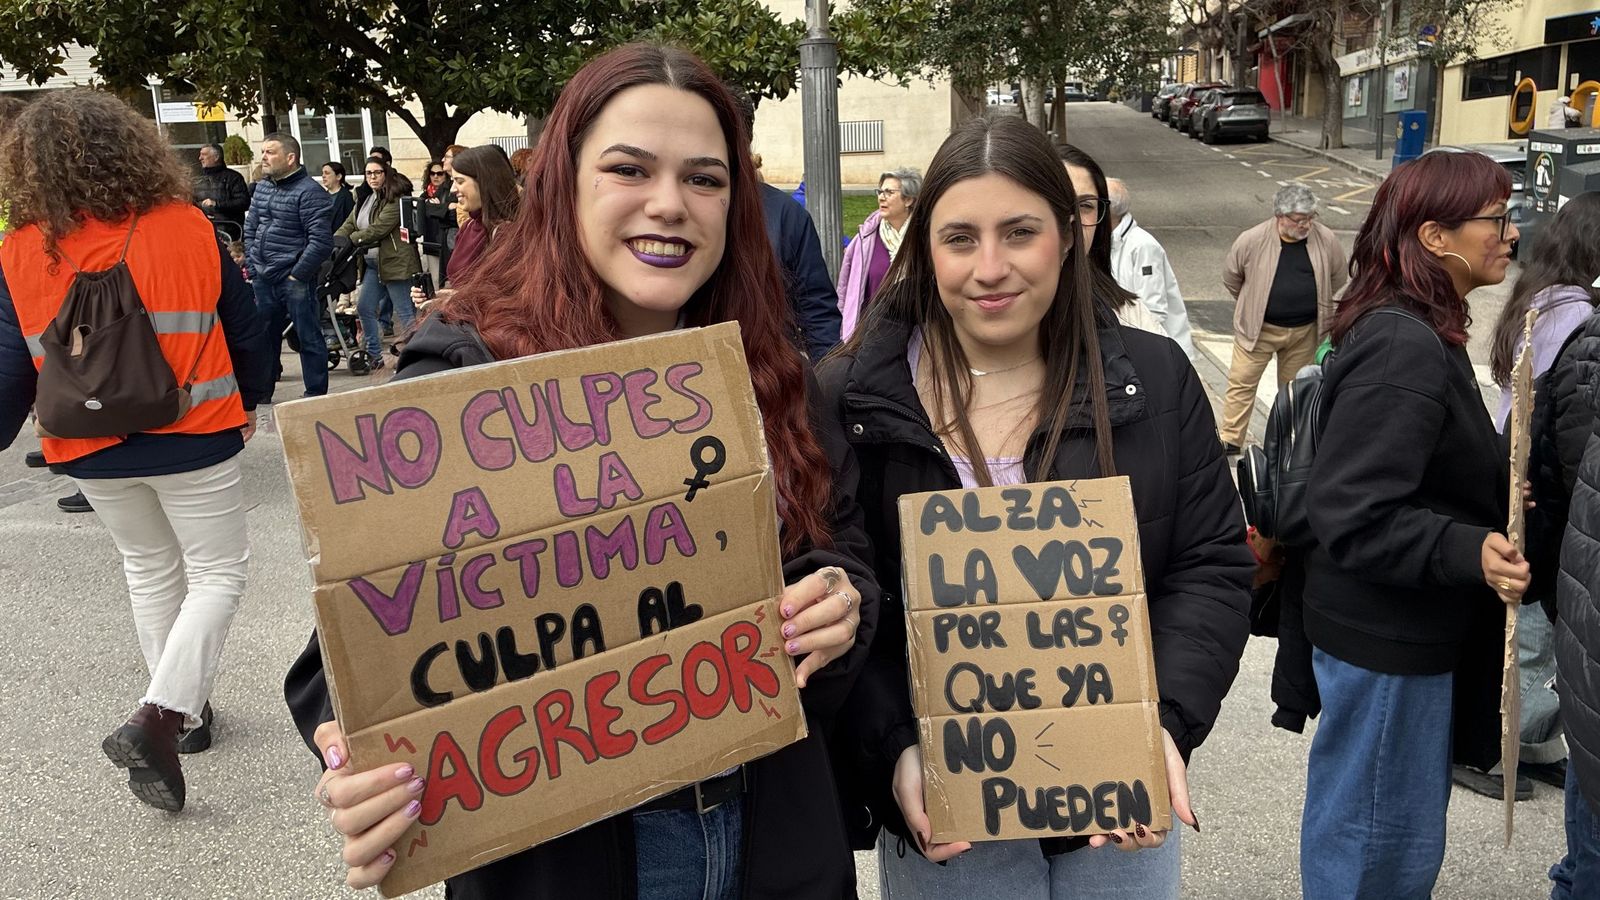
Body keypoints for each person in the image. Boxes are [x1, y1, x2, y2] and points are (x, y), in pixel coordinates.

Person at [284, 43, 878, 898]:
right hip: (568, 863)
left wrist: (840, 600)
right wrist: (351, 758)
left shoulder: (771, 371)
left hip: (771, 832)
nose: (669, 204)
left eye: (705, 179)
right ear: (564, 184)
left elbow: (843, 543)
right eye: (629, 169)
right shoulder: (464, 375)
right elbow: (351, 649)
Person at [821, 114, 1251, 899]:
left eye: (1019, 233)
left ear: (1067, 235)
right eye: (960, 239)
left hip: (1115, 802)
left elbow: (1209, 567)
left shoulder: (1156, 379)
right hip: (948, 814)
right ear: (924, 248)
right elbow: (846, 595)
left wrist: (1162, 722)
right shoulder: (848, 398)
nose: (991, 268)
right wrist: (896, 747)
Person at [0, 89, 271, 811]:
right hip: (195, 430)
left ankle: (188, 720)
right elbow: (244, 323)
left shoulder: (21, 247)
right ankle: (161, 716)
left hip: (87, 442)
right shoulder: (186, 224)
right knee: (217, 573)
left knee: (149, 569)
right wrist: (252, 397)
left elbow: (9, 366)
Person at [1299, 150, 1528, 899]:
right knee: (1375, 848)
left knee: (1375, 830)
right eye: (1496, 219)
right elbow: (1353, 512)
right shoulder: (1405, 344)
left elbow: (1410, 469)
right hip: (1388, 641)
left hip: (1394, 633)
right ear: (1435, 236)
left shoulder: (1417, 328)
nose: (1511, 234)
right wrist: (1469, 547)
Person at [1455, 193, 1600, 802]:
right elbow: (1563, 416)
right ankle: (1497, 746)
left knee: (1531, 623)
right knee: (1532, 626)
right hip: (1532, 476)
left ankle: (1530, 740)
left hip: (1517, 462)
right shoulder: (1575, 311)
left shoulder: (1541, 295)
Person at [1219, 184, 1347, 454]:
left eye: (1310, 217)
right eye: (1299, 219)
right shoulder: (1252, 240)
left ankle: (1290, 442)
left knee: (1295, 390)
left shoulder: (1325, 239)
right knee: (1241, 383)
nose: (1306, 225)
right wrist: (1252, 304)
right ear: (1280, 216)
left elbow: (1337, 277)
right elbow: (1232, 277)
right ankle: (1231, 438)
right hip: (1258, 329)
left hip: (1304, 331)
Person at [730, 88, 841, 361]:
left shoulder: (786, 215)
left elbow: (817, 310)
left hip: (770, 373)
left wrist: (830, 376)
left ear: (745, 138)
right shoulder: (677, 208)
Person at [245, 132, 335, 400]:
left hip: (294, 278)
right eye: (263, 151)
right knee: (265, 337)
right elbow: (251, 229)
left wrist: (297, 275)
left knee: (308, 338)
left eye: (270, 152)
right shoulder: (262, 187)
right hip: (263, 276)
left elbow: (321, 242)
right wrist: (253, 266)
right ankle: (263, 392)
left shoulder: (311, 192)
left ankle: (315, 394)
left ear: (290, 158)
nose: (263, 157)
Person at [1059, 146, 1166, 337]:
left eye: (1085, 205)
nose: (1072, 221)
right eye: (1057, 204)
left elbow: (1155, 307)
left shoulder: (1131, 316)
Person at [408, 144, 519, 314]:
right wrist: (436, 297)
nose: (453, 189)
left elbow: (507, 299)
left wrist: (451, 301)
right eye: (453, 181)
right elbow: (464, 289)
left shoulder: (509, 234)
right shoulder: (469, 226)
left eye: (459, 181)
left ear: (484, 182)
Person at [335, 159, 421, 372]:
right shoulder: (365, 198)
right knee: (364, 307)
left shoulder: (394, 198)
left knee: (405, 313)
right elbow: (350, 223)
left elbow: (379, 229)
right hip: (373, 264)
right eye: (368, 173)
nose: (372, 177)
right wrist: (335, 240)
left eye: (377, 172)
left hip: (396, 263)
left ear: (386, 173)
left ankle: (416, 357)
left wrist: (352, 240)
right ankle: (374, 355)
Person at [1106, 178, 1196, 358]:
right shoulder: (1111, 241)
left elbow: (1153, 310)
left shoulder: (1143, 246)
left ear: (1108, 211)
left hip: (1154, 351)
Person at [838, 168, 921, 339]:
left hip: (915, 336)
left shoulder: (923, 239)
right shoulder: (865, 238)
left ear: (908, 200)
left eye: (889, 192)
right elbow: (845, 286)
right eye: (880, 192)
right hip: (871, 336)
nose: (881, 197)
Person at [193, 143, 249, 237]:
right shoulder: (196, 180)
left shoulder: (234, 178)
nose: (200, 158)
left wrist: (217, 204)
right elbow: (190, 203)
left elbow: (243, 202)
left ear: (216, 157)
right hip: (202, 229)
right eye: (200, 155)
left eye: (204, 154)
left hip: (229, 230)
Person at [417, 159, 449, 286]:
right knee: (436, 281)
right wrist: (438, 208)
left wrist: (438, 208)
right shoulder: (424, 196)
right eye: (432, 173)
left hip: (446, 242)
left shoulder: (449, 193)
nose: (436, 176)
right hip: (431, 242)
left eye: (440, 173)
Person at [320, 161, 354, 234]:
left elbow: (350, 222)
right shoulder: (321, 197)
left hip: (339, 237)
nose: (323, 176)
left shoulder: (347, 197)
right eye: (322, 173)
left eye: (327, 173)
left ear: (338, 176)